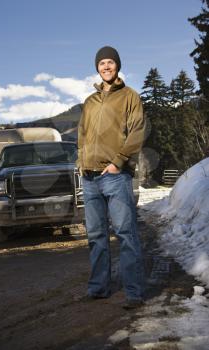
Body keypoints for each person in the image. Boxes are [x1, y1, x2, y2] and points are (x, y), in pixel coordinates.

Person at [77, 46, 146, 309]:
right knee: (95, 235)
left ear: (117, 66)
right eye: (102, 62)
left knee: (126, 233)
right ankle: (98, 288)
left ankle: (134, 292)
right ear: (97, 67)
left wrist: (118, 163)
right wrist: (80, 162)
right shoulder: (90, 101)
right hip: (90, 177)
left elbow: (137, 133)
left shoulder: (130, 97)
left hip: (115, 176)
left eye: (110, 62)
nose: (106, 66)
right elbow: (82, 135)